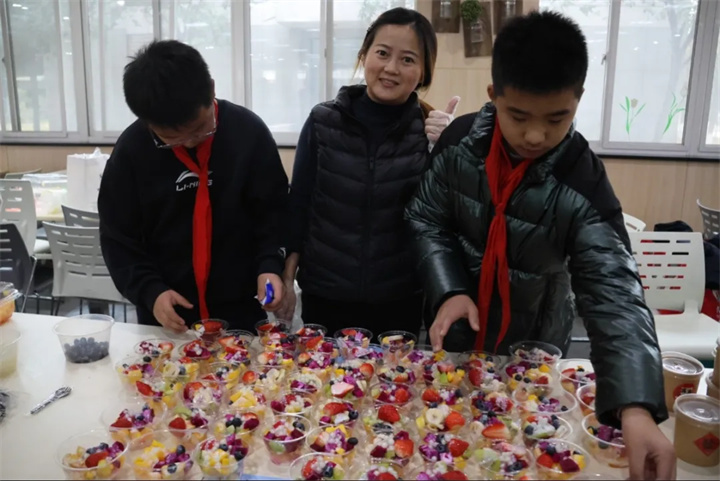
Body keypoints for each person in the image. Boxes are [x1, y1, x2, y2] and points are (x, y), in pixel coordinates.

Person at [405, 11, 676, 481]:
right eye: (518, 116)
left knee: (522, 460)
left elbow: (613, 287)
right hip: (455, 338)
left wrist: (634, 405)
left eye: (557, 118)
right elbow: (426, 218)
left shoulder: (581, 175)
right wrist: (450, 288)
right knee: (446, 452)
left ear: (578, 100)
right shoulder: (458, 143)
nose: (535, 135)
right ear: (493, 95)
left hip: (533, 346)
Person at [277, 7, 458, 337]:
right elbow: (299, 206)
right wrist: (288, 280)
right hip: (325, 294)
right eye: (382, 53)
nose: (391, 68)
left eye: (407, 59)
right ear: (364, 55)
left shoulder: (430, 133)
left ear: (424, 73)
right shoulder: (322, 122)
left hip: (400, 299)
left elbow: (445, 219)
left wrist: (451, 147)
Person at [98, 40, 287, 331]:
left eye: (200, 130)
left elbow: (274, 213)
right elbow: (118, 239)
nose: (189, 143)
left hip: (241, 310)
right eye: (171, 139)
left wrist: (270, 266)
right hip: (166, 315)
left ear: (211, 89)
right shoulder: (132, 151)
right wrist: (150, 291)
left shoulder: (248, 133)